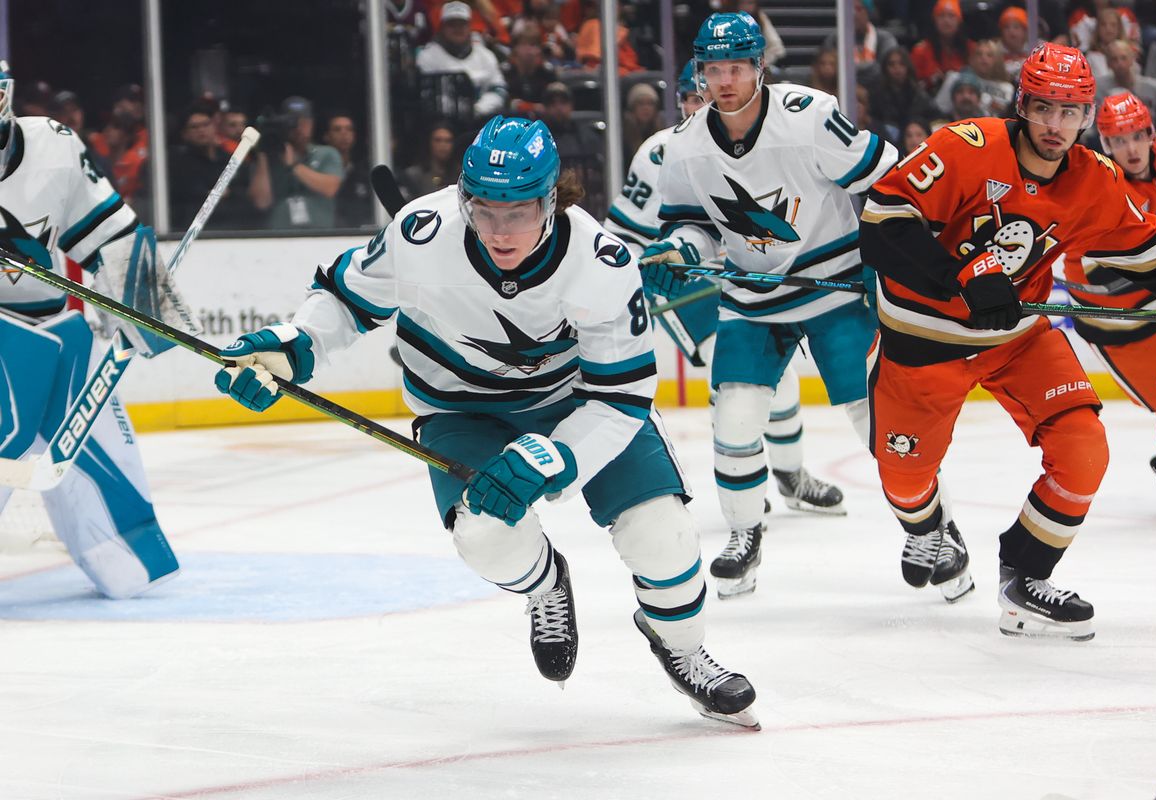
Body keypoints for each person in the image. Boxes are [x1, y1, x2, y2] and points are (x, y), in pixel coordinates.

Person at [212, 115, 760, 728]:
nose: (500, 231)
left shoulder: (600, 262)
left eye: (519, 211)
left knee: (660, 535)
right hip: (460, 409)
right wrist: (292, 345)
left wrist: (559, 455)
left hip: (577, 400)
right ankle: (545, 584)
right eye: (484, 209)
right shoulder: (421, 232)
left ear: (550, 200)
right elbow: (343, 299)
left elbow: (622, 396)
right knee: (485, 536)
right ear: (464, 196)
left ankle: (683, 649)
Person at [858, 43, 1156, 639]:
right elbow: (884, 221)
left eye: (1070, 113)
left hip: (1017, 338)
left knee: (1084, 447)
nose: (1056, 126)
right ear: (1023, 105)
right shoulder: (966, 146)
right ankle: (927, 527)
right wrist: (961, 278)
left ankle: (1025, 578)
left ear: (1086, 117)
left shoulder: (1094, 180)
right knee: (905, 480)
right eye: (1044, 109)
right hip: (924, 340)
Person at [645, 13, 897, 598]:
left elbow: (889, 177)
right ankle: (743, 534)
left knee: (876, 418)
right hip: (753, 297)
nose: (724, 80)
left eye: (735, 67)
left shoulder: (808, 116)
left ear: (760, 66)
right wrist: (679, 250)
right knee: (733, 417)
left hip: (831, 286)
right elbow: (692, 229)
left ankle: (932, 527)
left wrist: (890, 249)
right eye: (713, 69)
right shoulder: (683, 147)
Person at [604, 62, 847, 529]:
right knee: (742, 387)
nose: (698, 107)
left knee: (784, 383)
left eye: (704, 96)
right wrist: (648, 272)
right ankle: (751, 483)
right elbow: (624, 235)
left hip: (743, 279)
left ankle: (791, 476)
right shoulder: (662, 153)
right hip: (689, 288)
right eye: (690, 99)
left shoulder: (765, 139)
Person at [0, 61, 180, 598]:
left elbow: (108, 229)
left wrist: (151, 308)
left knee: (128, 568)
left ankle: (120, 543)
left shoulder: (53, 145)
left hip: (60, 336)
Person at [1060, 92, 1156, 510]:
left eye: (1136, 136)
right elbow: (1102, 275)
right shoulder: (1095, 187)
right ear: (1104, 145)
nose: (1130, 149)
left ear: (1151, 133)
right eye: (1118, 141)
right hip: (1119, 322)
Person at [168, 106, 268, 231]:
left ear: (215, 128)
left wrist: (231, 193)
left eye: (206, 124)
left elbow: (250, 196)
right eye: (194, 127)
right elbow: (188, 197)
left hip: (240, 227)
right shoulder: (178, 165)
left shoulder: (231, 159)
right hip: (201, 230)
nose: (201, 130)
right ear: (185, 134)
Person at [416, 1, 508, 121]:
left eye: (462, 24)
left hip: (479, 120)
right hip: (441, 121)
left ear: (469, 27)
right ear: (442, 27)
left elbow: (499, 90)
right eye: (452, 25)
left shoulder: (485, 56)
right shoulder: (427, 56)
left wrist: (477, 109)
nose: (457, 29)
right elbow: (425, 96)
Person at [263, 96, 344, 230]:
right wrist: (263, 151)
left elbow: (330, 188)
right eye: (293, 123)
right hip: (277, 237)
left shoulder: (327, 154)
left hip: (322, 235)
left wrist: (294, 166)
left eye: (304, 122)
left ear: (312, 124)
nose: (299, 128)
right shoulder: (271, 158)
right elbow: (261, 201)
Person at [1097, 40, 1156, 130]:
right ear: (1108, 64)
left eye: (1123, 58)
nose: (1120, 63)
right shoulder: (1099, 89)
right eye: (1114, 59)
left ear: (1132, 59)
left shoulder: (1152, 87)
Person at [869, 47, 939, 145]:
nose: (897, 68)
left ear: (908, 67)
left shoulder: (918, 93)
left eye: (901, 64)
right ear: (885, 68)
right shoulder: (876, 95)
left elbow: (934, 115)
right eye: (891, 64)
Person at [822, 0, 899, 85]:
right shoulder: (835, 39)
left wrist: (850, 69)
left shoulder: (885, 39)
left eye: (858, 9)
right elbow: (832, 69)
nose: (854, 13)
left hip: (879, 90)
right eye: (849, 9)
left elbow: (884, 69)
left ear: (868, 12)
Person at [910, 0, 975, 92]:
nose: (946, 21)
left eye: (951, 16)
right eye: (941, 16)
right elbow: (913, 86)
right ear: (934, 21)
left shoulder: (972, 49)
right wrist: (931, 80)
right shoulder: (920, 51)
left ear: (959, 21)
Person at [324, 113, 374, 228]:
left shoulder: (364, 172)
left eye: (349, 129)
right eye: (337, 129)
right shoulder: (319, 173)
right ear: (326, 136)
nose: (344, 133)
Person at [503, 29, 558, 118]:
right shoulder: (506, 72)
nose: (529, 50)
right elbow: (505, 102)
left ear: (539, 49)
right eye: (524, 44)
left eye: (533, 45)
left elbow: (554, 102)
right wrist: (530, 107)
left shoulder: (548, 72)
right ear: (515, 48)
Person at [401, 122, 460, 198]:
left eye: (448, 141)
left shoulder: (461, 174)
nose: (443, 145)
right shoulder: (414, 175)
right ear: (429, 142)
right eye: (438, 140)